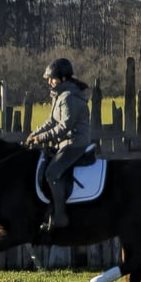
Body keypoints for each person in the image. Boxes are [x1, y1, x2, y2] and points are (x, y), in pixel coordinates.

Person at [26, 58, 92, 232]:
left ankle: (60, 217)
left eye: (52, 78)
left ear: (62, 78)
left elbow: (64, 126)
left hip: (74, 143)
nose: (49, 82)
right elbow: (51, 121)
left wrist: (41, 139)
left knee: (52, 173)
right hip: (65, 142)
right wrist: (35, 134)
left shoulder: (68, 97)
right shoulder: (60, 96)